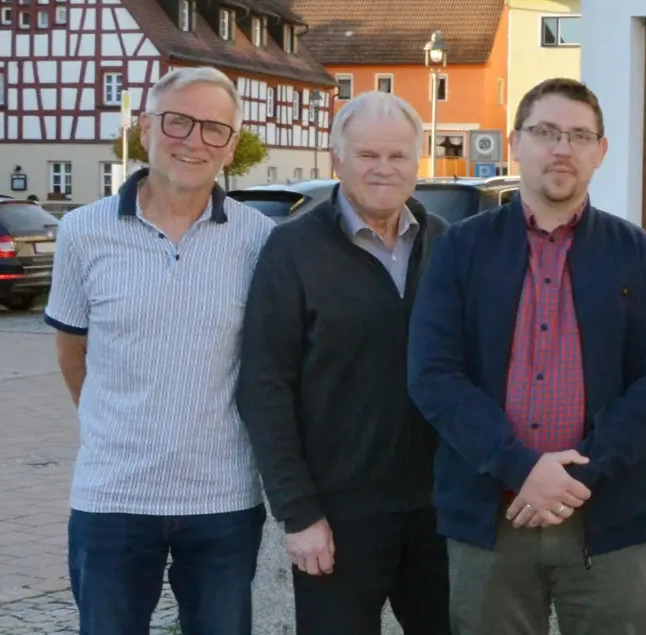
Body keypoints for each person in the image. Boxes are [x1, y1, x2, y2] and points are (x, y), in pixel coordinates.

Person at [407, 77, 646, 635]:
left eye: (580, 135)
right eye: (546, 132)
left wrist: (575, 475)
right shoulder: (461, 248)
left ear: (600, 152)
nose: (562, 148)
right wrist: (521, 468)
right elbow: (433, 374)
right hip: (491, 514)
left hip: (604, 518)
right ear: (516, 142)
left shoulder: (638, 253)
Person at [44, 66, 275, 635]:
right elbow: (71, 350)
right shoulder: (82, 232)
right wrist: (118, 425)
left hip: (222, 496)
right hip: (113, 495)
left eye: (213, 129)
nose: (193, 140)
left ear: (230, 146)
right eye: (177, 121)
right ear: (145, 128)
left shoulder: (259, 240)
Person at [236, 91, 451, 634]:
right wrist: (298, 512)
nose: (384, 168)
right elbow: (264, 387)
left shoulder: (446, 244)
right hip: (336, 517)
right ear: (336, 159)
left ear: (416, 162)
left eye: (399, 155)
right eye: (368, 155)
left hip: (439, 514)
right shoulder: (292, 251)